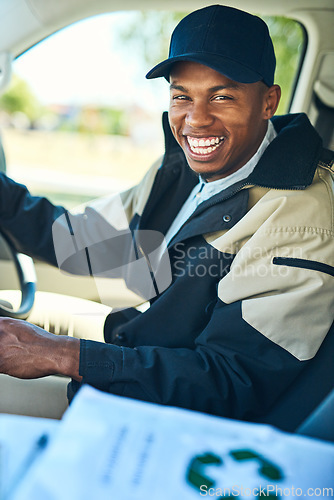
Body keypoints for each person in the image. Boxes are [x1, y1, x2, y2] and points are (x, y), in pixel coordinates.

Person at [0, 5, 333, 431]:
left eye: (222, 96)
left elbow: (231, 380)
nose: (196, 119)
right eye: (182, 96)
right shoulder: (179, 170)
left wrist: (63, 354)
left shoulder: (296, 213)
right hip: (142, 356)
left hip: (176, 417)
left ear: (269, 102)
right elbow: (79, 241)